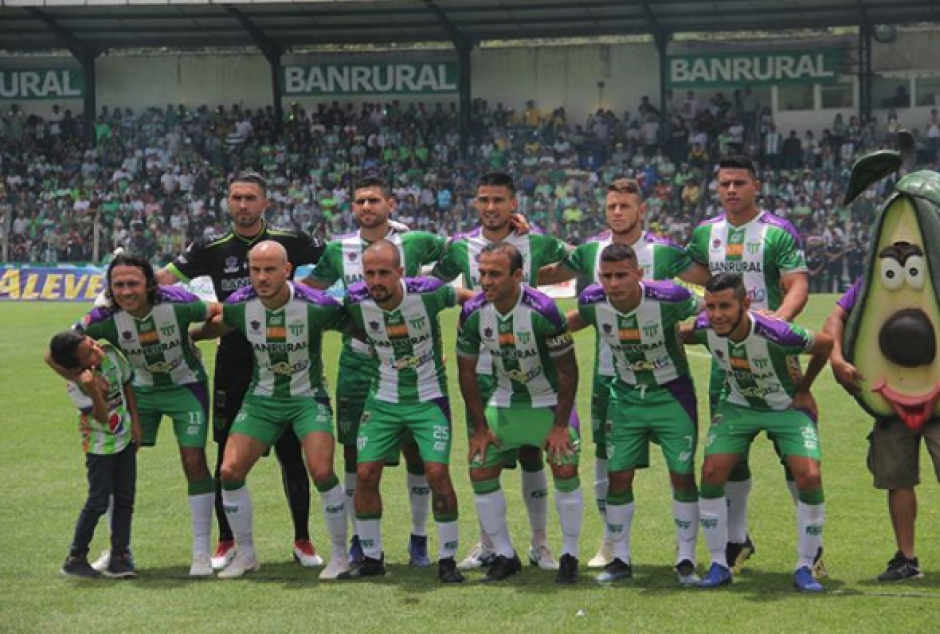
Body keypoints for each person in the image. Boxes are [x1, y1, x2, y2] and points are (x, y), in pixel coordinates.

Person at [158, 171, 325, 571]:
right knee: (226, 453)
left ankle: (302, 538)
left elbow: (335, 261)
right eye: (236, 197)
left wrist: (307, 294)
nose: (243, 205)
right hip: (233, 359)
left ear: (265, 202)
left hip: (285, 357)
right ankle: (227, 539)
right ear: (228, 202)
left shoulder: (292, 241)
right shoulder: (211, 247)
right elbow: (164, 281)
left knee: (291, 453)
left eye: (251, 197)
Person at [538, 177, 701, 568]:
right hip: (609, 374)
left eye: (625, 206)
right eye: (611, 206)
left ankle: (692, 551)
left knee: (680, 468)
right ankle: (610, 544)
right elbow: (542, 274)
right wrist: (518, 242)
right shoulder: (593, 249)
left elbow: (712, 283)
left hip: (664, 378)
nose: (617, 212)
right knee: (606, 458)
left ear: (640, 210)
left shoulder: (664, 252)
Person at [304, 175, 448, 567]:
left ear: (391, 204)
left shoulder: (416, 243)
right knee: (355, 455)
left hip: (414, 366)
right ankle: (361, 541)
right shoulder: (339, 250)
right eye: (359, 201)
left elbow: (463, 254)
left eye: (373, 200)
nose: (366, 207)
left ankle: (418, 539)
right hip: (358, 364)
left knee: (418, 453)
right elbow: (310, 293)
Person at [433, 171, 570, 571]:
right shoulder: (460, 247)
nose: (490, 207)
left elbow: (575, 262)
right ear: (475, 204)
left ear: (514, 204)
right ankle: (488, 542)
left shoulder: (537, 242)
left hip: (531, 365)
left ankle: (540, 544)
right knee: (482, 452)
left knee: (532, 454)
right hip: (483, 366)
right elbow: (430, 286)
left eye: (498, 200)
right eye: (483, 200)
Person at [55, 255, 218, 577]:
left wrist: (195, 337)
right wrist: (81, 378)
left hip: (185, 387)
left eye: (133, 283)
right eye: (118, 285)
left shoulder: (178, 302)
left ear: (149, 284)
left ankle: (201, 552)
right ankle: (118, 550)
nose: (126, 291)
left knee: (194, 462)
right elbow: (54, 352)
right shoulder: (103, 317)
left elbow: (217, 312)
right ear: (110, 289)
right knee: (117, 465)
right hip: (137, 392)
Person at [686, 154, 809, 571]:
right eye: (724, 184)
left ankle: (813, 552)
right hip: (725, 360)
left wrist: (780, 321)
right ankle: (737, 540)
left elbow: (796, 284)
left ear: (756, 185)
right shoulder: (706, 234)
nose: (731, 190)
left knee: (793, 454)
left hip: (774, 357)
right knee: (729, 453)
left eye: (739, 182)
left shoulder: (777, 233)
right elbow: (684, 269)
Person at [685, 274, 832, 592]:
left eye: (725, 306)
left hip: (786, 409)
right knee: (711, 471)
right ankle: (718, 564)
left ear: (746, 304)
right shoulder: (704, 328)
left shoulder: (776, 332)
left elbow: (825, 344)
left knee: (808, 475)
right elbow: (679, 334)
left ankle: (806, 565)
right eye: (710, 307)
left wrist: (804, 389)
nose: (717, 314)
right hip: (738, 407)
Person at [212, 241, 349, 579]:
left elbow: (358, 326)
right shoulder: (240, 304)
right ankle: (246, 555)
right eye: (255, 269)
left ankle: (340, 556)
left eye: (269, 269)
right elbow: (213, 324)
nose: (261, 276)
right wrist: (191, 342)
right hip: (261, 400)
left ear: (287, 270)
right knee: (229, 472)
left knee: (321, 471)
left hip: (307, 399)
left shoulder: (317, 305)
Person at [568, 243, 702, 585]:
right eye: (608, 276)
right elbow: (575, 320)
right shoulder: (592, 301)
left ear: (639, 273)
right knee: (619, 476)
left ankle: (686, 558)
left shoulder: (669, 297)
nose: (614, 283)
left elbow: (711, 312)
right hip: (626, 396)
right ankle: (621, 559)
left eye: (622, 275)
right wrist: (543, 330)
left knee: (682, 474)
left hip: (672, 394)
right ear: (599, 277)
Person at [339, 240, 466, 583]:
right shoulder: (355, 299)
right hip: (382, 401)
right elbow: (332, 319)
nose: (376, 280)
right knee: (365, 474)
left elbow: (472, 299)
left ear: (401, 272)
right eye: (370, 273)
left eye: (384, 272)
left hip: (428, 400)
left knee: (437, 474)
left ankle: (448, 559)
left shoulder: (430, 293)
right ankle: (372, 558)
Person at [456, 243, 583, 584]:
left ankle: (569, 555)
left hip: (548, 402)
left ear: (517, 275)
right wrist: (480, 428)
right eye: (482, 273)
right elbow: (466, 372)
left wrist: (559, 426)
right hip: (505, 400)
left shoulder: (545, 310)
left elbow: (569, 372)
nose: (485, 281)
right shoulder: (472, 311)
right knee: (480, 467)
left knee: (565, 463)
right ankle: (504, 554)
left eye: (494, 274)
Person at [824, 279, 932, 581]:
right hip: (892, 393)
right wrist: (836, 357)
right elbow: (836, 315)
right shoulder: (880, 275)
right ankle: (906, 560)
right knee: (896, 477)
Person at [48, 331, 142, 579]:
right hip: (100, 447)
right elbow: (100, 416)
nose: (95, 349)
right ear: (79, 365)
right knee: (98, 501)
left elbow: (126, 384)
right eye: (88, 352)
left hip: (124, 440)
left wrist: (135, 423)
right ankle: (75, 558)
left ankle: (120, 557)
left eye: (90, 343)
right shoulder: (77, 386)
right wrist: (92, 388)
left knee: (125, 498)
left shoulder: (110, 355)